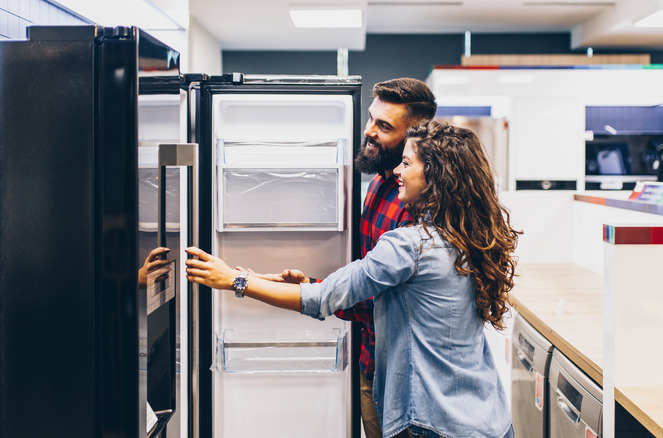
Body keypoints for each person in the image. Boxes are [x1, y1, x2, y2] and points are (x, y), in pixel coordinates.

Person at [186, 121, 520, 437]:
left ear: (434, 175)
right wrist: (290, 282)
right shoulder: (471, 236)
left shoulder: (410, 245)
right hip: (487, 416)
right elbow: (370, 294)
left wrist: (233, 282)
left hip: (433, 422)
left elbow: (322, 300)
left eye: (406, 164)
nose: (398, 173)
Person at [258, 77, 437, 438]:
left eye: (384, 126)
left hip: (405, 377)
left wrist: (315, 292)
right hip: (370, 358)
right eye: (371, 119)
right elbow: (366, 272)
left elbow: (384, 300)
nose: (369, 131)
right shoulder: (377, 185)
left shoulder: (417, 206)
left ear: (414, 137)